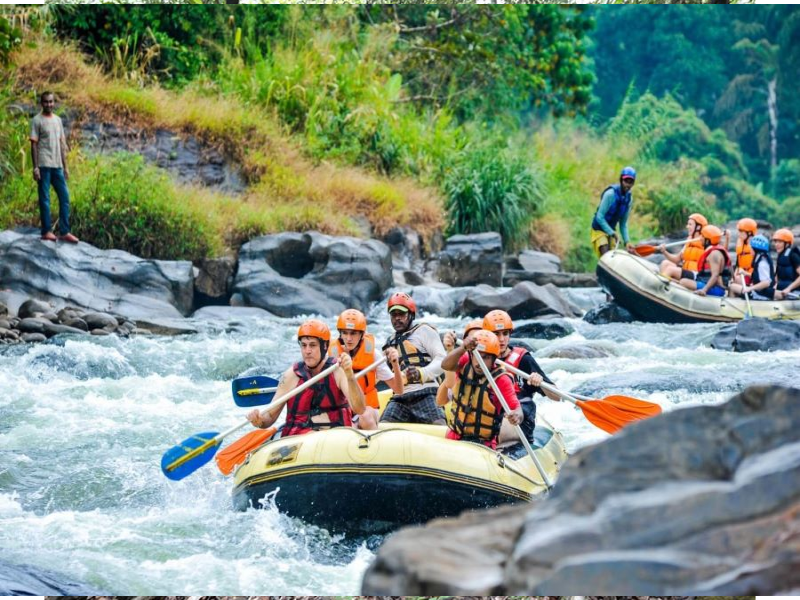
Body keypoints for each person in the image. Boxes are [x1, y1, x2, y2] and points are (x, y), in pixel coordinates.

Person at [246, 319, 365, 437]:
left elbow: (359, 409)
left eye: (312, 345)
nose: (307, 351)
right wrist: (259, 420)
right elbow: (270, 417)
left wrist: (350, 376)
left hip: (334, 439)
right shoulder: (291, 375)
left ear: (324, 346)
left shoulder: (338, 370)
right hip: (299, 441)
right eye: (304, 345)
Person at [480, 309, 562, 449]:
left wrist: (540, 382)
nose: (501, 339)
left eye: (505, 334)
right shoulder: (480, 359)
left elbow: (557, 396)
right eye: (496, 334)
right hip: (492, 411)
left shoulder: (523, 359)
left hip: (520, 416)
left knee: (489, 432)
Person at [440, 329, 523, 449]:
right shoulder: (465, 362)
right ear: (472, 354)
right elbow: (445, 365)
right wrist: (462, 347)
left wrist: (517, 416)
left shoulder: (501, 380)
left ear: (494, 359)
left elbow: (517, 409)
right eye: (477, 356)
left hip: (482, 444)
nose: (480, 363)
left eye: (486, 358)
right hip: (455, 436)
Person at [329, 308, 403, 430]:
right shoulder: (332, 356)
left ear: (362, 334)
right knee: (348, 426)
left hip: (368, 408)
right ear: (340, 334)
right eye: (345, 333)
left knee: (365, 416)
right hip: (344, 409)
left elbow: (398, 390)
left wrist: (395, 364)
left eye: (353, 333)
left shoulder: (373, 355)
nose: (348, 338)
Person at [380, 292, 446, 425]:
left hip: (426, 392)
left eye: (401, 314)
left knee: (439, 425)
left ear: (411, 314)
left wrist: (421, 373)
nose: (397, 318)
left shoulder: (424, 331)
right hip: (400, 398)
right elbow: (382, 373)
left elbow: (442, 360)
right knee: (382, 427)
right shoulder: (389, 342)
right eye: (394, 314)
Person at [30, 91, 79, 244]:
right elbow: (33, 145)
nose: (49, 104)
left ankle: (64, 232)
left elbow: (62, 144)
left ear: (54, 102)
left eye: (51, 102)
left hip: (57, 165)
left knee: (65, 198)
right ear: (41, 103)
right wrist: (35, 167)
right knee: (45, 199)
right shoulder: (37, 120)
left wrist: (66, 167)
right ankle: (46, 231)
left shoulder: (58, 120)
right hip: (44, 165)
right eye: (46, 102)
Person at [591, 166, 637, 257]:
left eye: (630, 182)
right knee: (606, 254)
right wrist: (612, 232)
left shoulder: (629, 199)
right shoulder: (610, 194)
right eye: (625, 181)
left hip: (611, 231)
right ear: (621, 180)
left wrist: (627, 241)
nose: (627, 185)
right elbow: (599, 217)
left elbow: (623, 224)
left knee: (613, 256)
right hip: (598, 229)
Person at [438, 319, 484, 408]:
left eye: (480, 338)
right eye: (471, 338)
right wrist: (450, 349)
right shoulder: (463, 360)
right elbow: (440, 401)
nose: (474, 343)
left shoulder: (496, 365)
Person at [679, 225, 730, 297]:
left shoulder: (714, 254)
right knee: (681, 280)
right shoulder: (713, 250)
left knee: (683, 282)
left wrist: (704, 290)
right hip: (706, 282)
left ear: (708, 240)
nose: (700, 238)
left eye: (702, 236)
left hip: (717, 290)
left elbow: (715, 275)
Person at [658, 213, 707, 281]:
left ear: (698, 227)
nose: (687, 226)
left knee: (671, 270)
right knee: (665, 263)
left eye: (690, 224)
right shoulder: (689, 240)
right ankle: (666, 286)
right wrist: (664, 252)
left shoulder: (705, 241)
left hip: (696, 274)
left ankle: (662, 283)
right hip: (686, 270)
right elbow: (676, 259)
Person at [728, 234, 774, 300]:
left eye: (751, 248)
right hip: (759, 292)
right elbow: (759, 277)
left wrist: (750, 288)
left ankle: (733, 306)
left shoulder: (762, 263)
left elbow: (766, 283)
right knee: (736, 282)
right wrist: (745, 273)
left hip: (760, 294)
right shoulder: (761, 259)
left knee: (732, 287)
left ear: (756, 249)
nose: (750, 250)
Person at [772, 229, 800, 300]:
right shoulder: (780, 256)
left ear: (787, 244)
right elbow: (777, 277)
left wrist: (788, 289)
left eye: (780, 242)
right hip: (782, 288)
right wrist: (774, 285)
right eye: (776, 241)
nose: (776, 244)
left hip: (794, 291)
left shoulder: (793, 256)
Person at [730, 217, 758, 284]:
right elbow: (738, 265)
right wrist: (734, 276)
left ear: (749, 233)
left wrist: (745, 273)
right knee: (732, 281)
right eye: (739, 231)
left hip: (751, 277)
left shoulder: (755, 247)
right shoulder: (741, 244)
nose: (739, 234)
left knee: (735, 281)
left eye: (741, 231)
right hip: (741, 275)